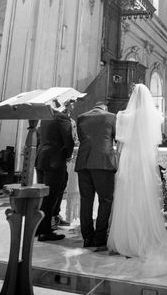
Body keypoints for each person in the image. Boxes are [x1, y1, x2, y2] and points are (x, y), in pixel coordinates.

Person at [108, 84, 167, 277]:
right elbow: (155, 141)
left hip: (129, 159)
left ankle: (127, 238)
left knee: (127, 195)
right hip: (145, 160)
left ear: (131, 96)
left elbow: (120, 141)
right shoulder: (154, 116)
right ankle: (145, 235)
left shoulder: (122, 116)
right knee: (144, 195)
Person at [74, 101, 117, 250]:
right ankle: (99, 238)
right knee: (105, 200)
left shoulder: (81, 117)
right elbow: (116, 137)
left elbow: (80, 138)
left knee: (86, 200)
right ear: (105, 108)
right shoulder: (111, 117)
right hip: (102, 163)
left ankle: (87, 238)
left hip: (83, 162)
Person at [35, 109, 74, 242]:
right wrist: (68, 155)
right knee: (51, 197)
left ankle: (38, 228)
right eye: (70, 103)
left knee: (43, 196)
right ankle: (45, 232)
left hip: (42, 158)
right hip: (54, 160)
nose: (72, 106)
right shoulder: (62, 118)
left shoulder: (46, 116)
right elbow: (68, 140)